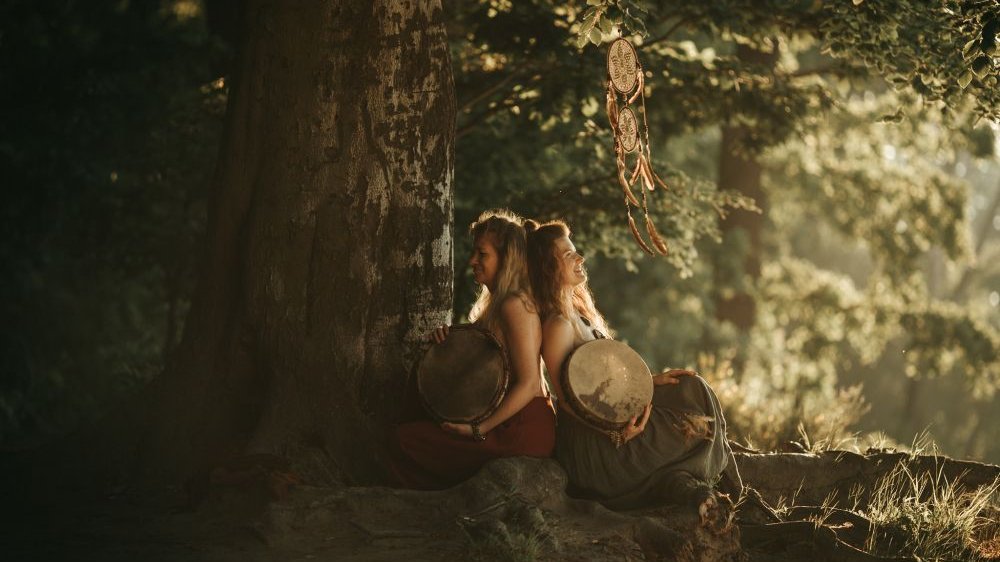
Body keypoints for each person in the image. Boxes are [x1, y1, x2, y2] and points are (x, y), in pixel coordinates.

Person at [524, 218, 743, 514]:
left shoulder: (578, 314)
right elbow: (568, 400)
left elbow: (603, 382)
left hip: (609, 423)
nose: (580, 258)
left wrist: (651, 381)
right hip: (594, 447)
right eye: (568, 255)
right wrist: (615, 434)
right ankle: (716, 485)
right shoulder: (558, 326)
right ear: (549, 269)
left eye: (575, 252)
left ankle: (722, 482)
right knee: (694, 427)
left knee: (692, 389)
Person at [388, 209, 556, 489]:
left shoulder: (515, 305)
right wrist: (447, 342)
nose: (472, 261)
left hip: (521, 429)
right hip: (505, 422)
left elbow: (528, 385)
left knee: (405, 440)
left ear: (507, 258)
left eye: (482, 254)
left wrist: (478, 430)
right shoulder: (498, 305)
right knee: (410, 432)